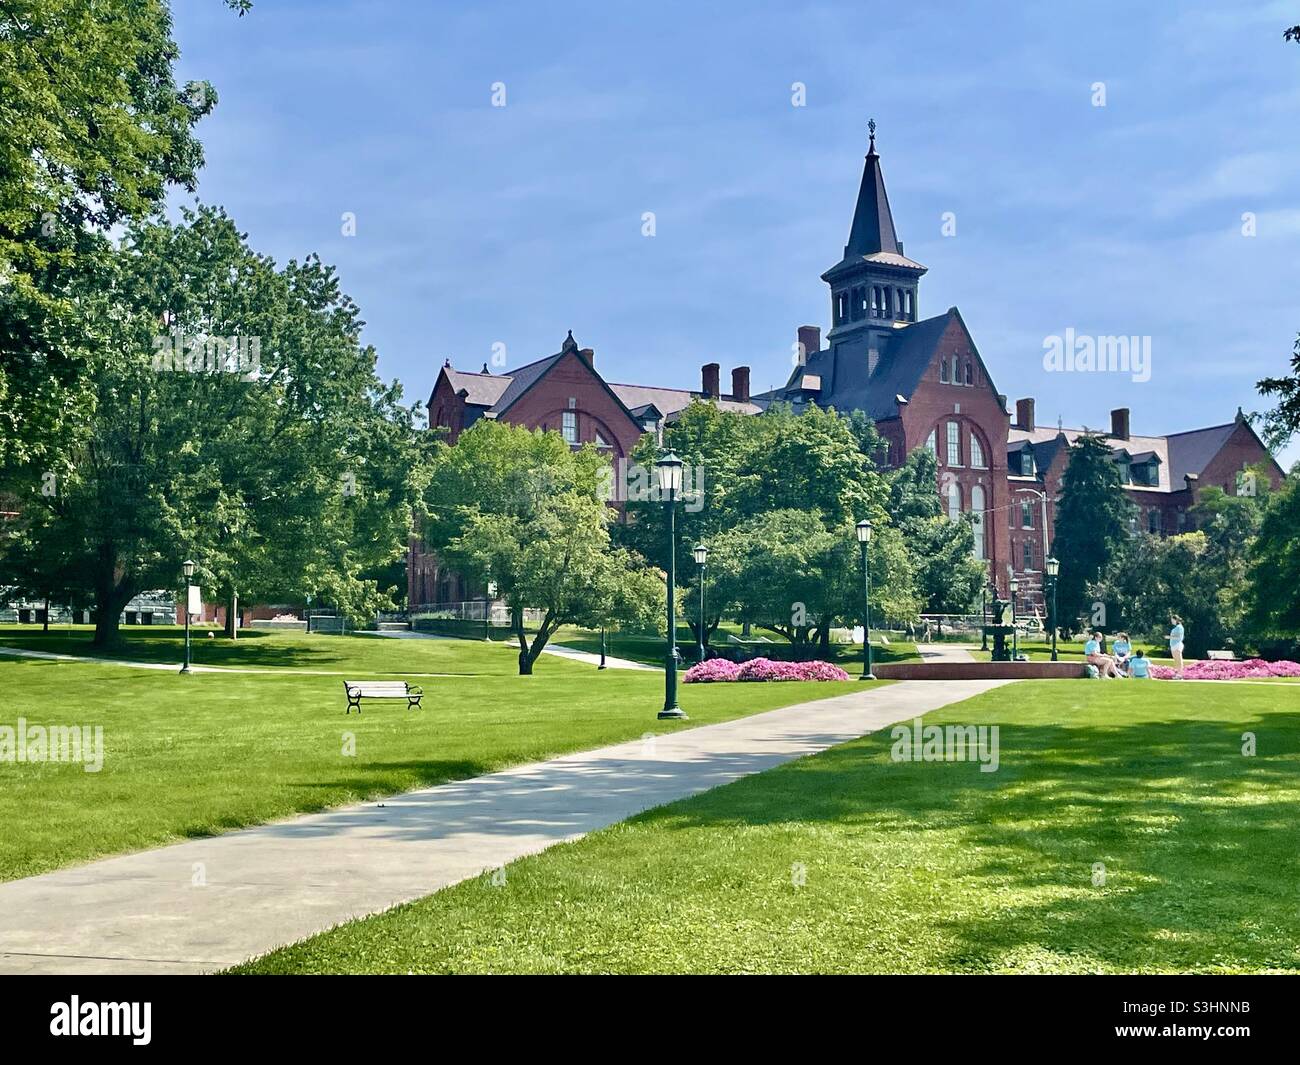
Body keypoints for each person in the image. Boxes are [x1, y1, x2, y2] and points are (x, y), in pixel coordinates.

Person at [1167, 614, 1185, 679]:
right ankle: (1177, 674)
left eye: (1172, 620)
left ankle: (1180, 674)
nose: (1172, 621)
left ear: (1175, 620)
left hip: (1177, 644)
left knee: (1179, 660)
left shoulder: (1179, 627)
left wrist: (1170, 637)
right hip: (1173, 645)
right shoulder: (1176, 627)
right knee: (1176, 660)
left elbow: (1179, 637)